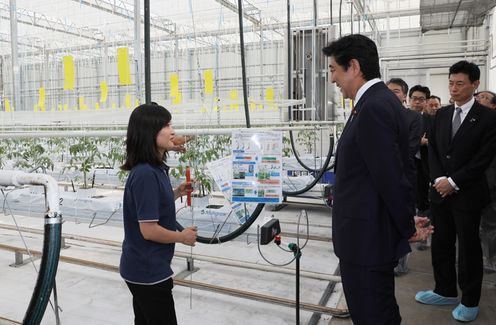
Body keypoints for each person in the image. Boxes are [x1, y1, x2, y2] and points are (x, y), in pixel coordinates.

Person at [323, 34, 433, 324]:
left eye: (334, 69)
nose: (332, 78)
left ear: (354, 67)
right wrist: (404, 220)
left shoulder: (373, 107)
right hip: (369, 234)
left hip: (366, 241)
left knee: (373, 315)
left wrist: (405, 223)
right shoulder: (376, 102)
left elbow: (390, 178)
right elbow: (396, 170)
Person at [416, 61, 496, 322]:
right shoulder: (441, 114)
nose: (454, 88)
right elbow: (436, 151)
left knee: (469, 247)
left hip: (467, 192)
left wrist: (454, 181)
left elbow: (483, 157)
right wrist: (440, 178)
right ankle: (445, 290)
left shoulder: (488, 118)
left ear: (474, 85)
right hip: (440, 191)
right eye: (451, 83)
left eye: (460, 83)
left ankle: (470, 300)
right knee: (441, 242)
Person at [120, 103, 198, 325]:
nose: (172, 131)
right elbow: (149, 230)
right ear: (149, 132)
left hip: (143, 267)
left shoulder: (154, 168)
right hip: (148, 270)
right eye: (165, 125)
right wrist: (182, 237)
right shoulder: (146, 174)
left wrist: (176, 192)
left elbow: (151, 207)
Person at [387, 78, 423, 275]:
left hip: (404, 176)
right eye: (388, 91)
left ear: (404, 96)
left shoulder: (414, 117)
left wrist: (386, 161)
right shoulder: (381, 114)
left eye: (396, 91)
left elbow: (411, 147)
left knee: (404, 216)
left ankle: (401, 263)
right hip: (385, 177)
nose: (392, 94)